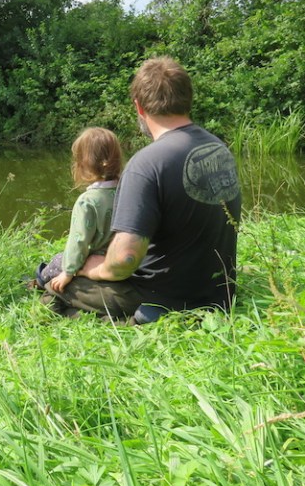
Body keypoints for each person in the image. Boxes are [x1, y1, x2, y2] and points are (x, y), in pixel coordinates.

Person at [51, 57, 241, 324]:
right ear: (188, 100)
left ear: (139, 107)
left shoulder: (146, 164)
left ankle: (138, 319)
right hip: (220, 292)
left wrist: (94, 269)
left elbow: (125, 259)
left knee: (53, 279)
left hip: (163, 295)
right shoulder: (218, 149)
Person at [33, 127, 123, 296]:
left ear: (85, 164)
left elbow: (79, 241)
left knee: (56, 261)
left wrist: (68, 273)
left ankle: (38, 282)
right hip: (118, 260)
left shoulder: (87, 201)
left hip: (93, 261)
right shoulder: (125, 191)